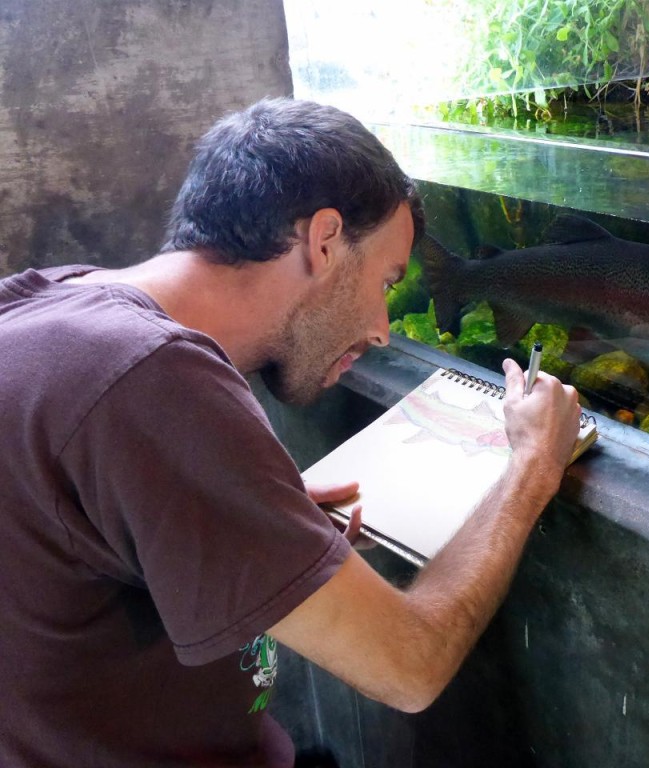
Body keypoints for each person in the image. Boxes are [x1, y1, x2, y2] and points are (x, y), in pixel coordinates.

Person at [0, 98, 582, 768]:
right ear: (325, 240)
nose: (382, 330)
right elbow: (409, 666)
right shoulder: (150, 379)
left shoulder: (46, 300)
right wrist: (533, 462)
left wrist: (247, 509)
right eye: (387, 282)